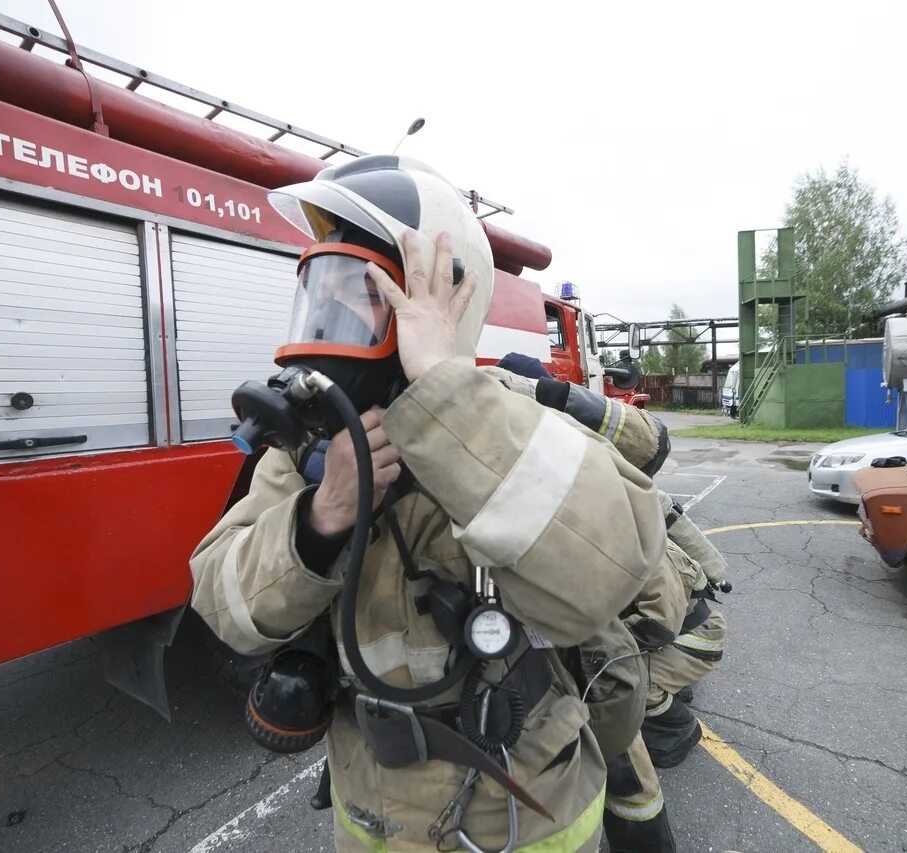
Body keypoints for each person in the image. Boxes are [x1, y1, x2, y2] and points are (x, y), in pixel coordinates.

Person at [190, 156, 666, 851]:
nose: (332, 318)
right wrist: (325, 516)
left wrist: (450, 403)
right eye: (324, 294)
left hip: (523, 815)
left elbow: (611, 569)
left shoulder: (511, 420)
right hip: (373, 814)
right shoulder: (309, 454)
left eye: (363, 292)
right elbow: (221, 603)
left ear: (446, 302)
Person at [482, 359, 731, 769]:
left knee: (617, 685)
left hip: (691, 633)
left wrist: (598, 651)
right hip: (685, 619)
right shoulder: (595, 475)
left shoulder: (608, 512)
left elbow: (662, 614)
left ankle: (675, 729)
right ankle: (669, 684)